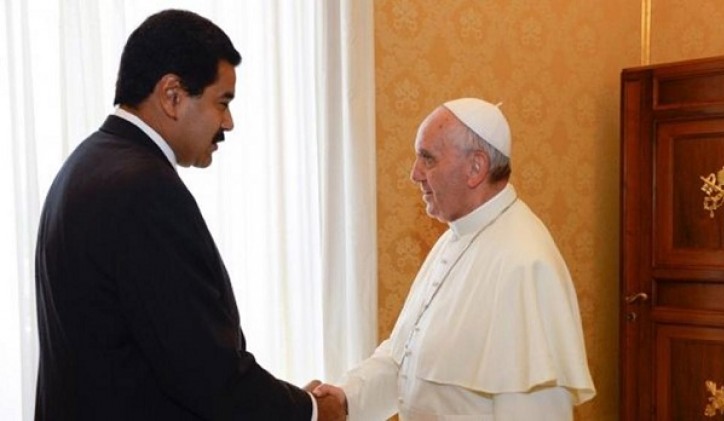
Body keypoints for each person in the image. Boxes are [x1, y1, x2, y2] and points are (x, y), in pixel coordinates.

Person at [34, 9, 345, 421]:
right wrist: (311, 411)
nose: (228, 123)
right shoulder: (144, 189)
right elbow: (205, 371)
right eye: (222, 102)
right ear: (172, 95)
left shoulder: (88, 162)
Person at [314, 98, 596, 420]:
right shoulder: (455, 237)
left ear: (475, 167)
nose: (415, 174)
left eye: (428, 159)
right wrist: (346, 397)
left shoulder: (525, 263)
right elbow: (405, 355)